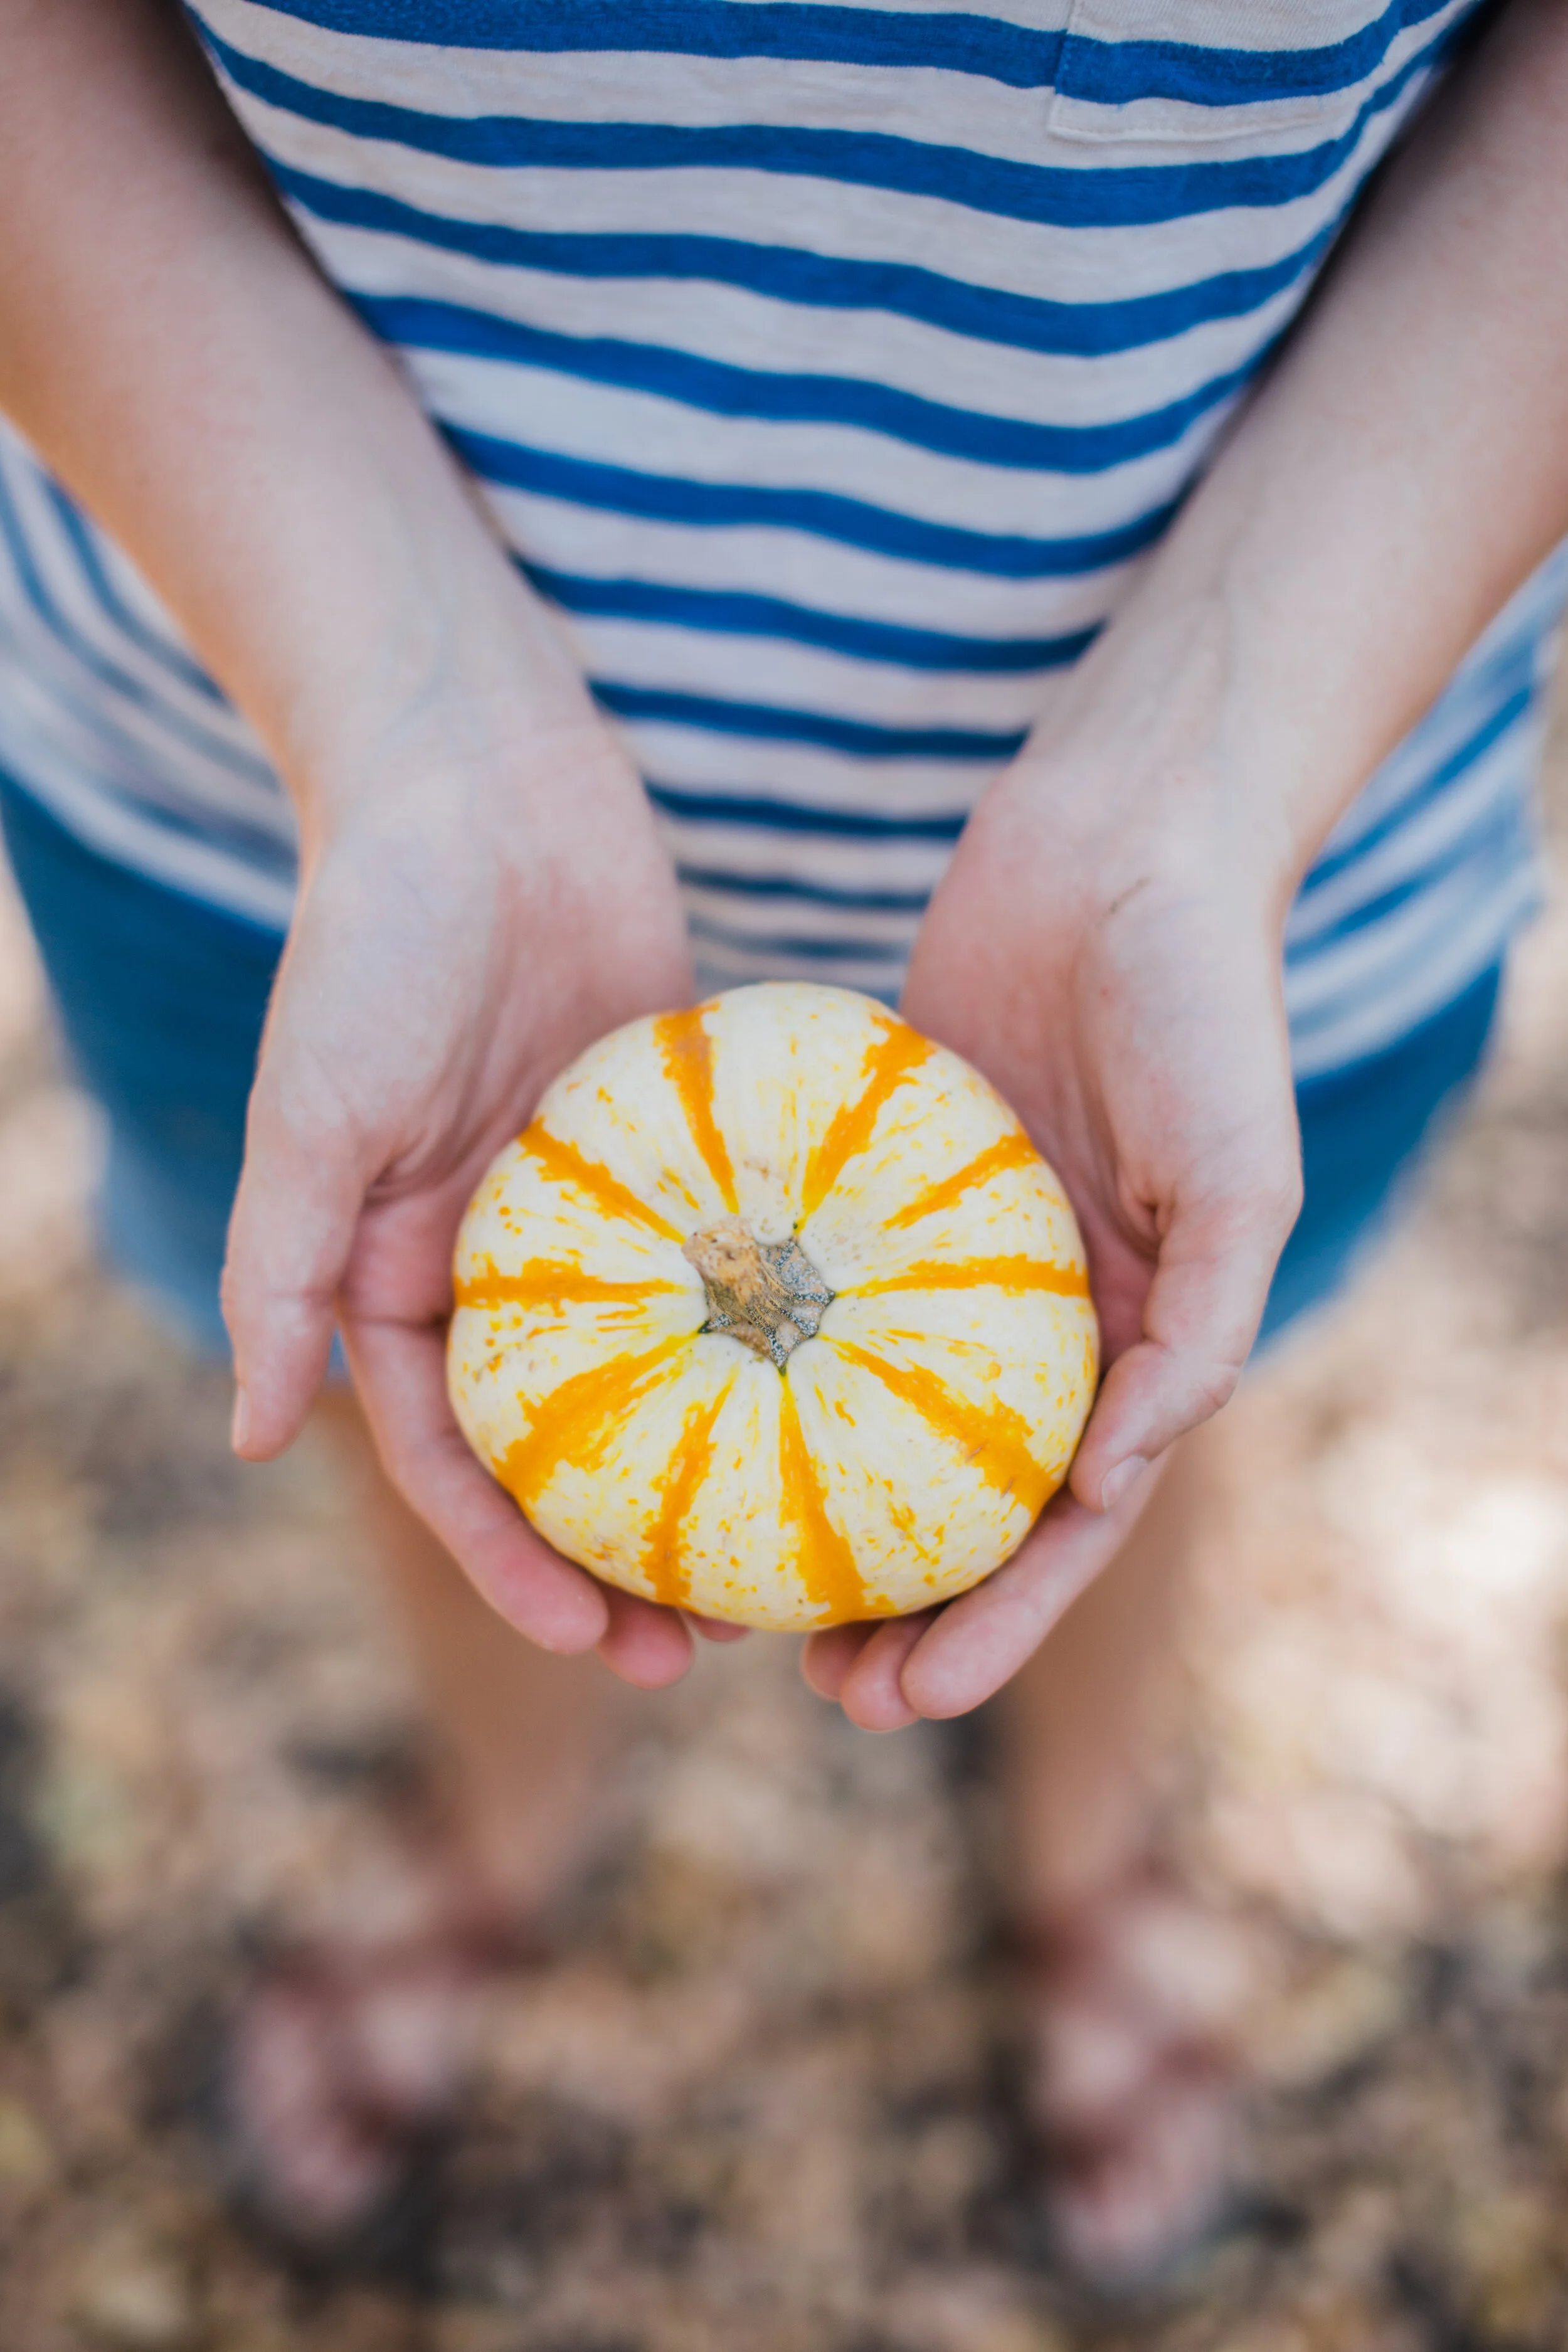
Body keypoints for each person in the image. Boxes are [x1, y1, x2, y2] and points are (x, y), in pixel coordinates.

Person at [1, 0, 1566, 2288]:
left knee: (1126, 1382)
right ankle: (506, 1802)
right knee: (410, 1349)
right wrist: (396, 714)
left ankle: (1091, 1835)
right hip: (286, 767)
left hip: (1255, 811)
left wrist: (1218, 765)